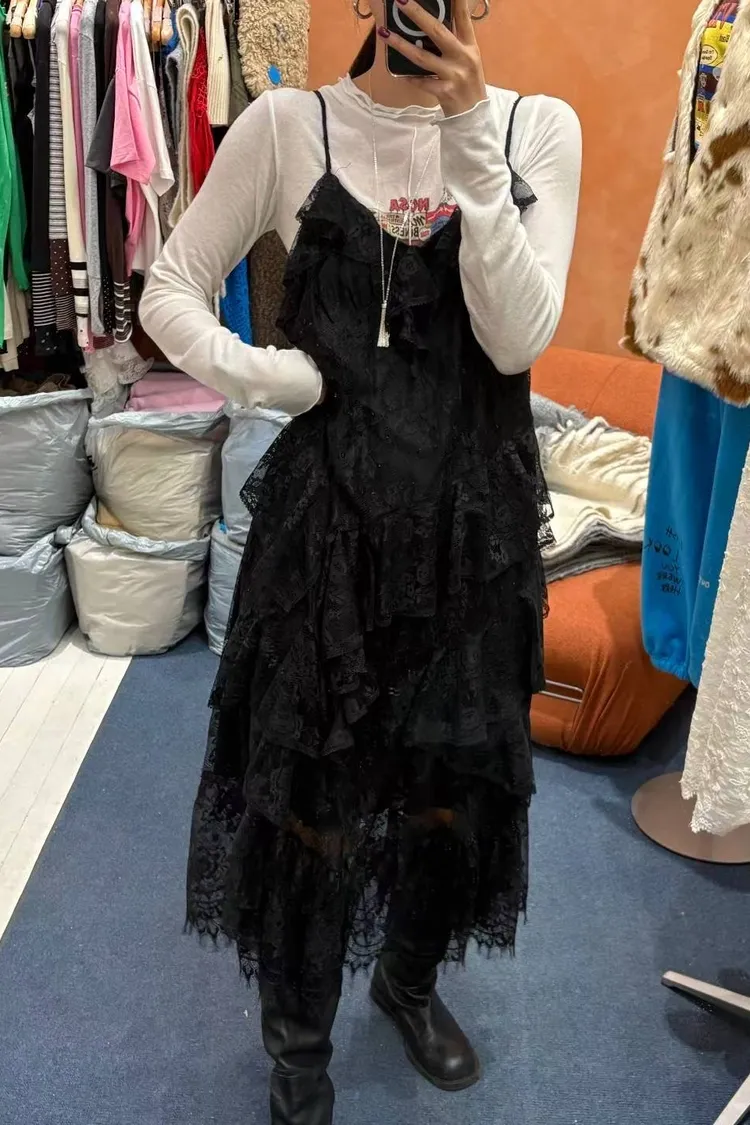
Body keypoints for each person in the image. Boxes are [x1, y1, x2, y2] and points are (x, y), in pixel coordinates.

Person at [140, 2, 581, 1121]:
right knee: (314, 804)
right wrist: (265, 376)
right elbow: (168, 288)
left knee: (449, 794)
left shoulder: (535, 128)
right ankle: (299, 1047)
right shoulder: (289, 125)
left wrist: (468, 127)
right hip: (327, 538)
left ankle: (407, 982)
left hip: (473, 543)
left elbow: (517, 339)